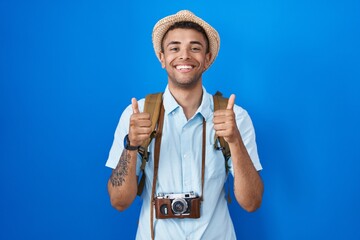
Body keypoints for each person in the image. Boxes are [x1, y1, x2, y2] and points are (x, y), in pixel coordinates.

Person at [106, 10, 264, 240]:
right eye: (174, 48)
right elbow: (119, 202)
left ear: (207, 59)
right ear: (162, 58)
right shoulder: (137, 115)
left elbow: (252, 203)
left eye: (195, 48)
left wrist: (235, 141)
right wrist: (131, 145)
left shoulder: (235, 117)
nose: (184, 55)